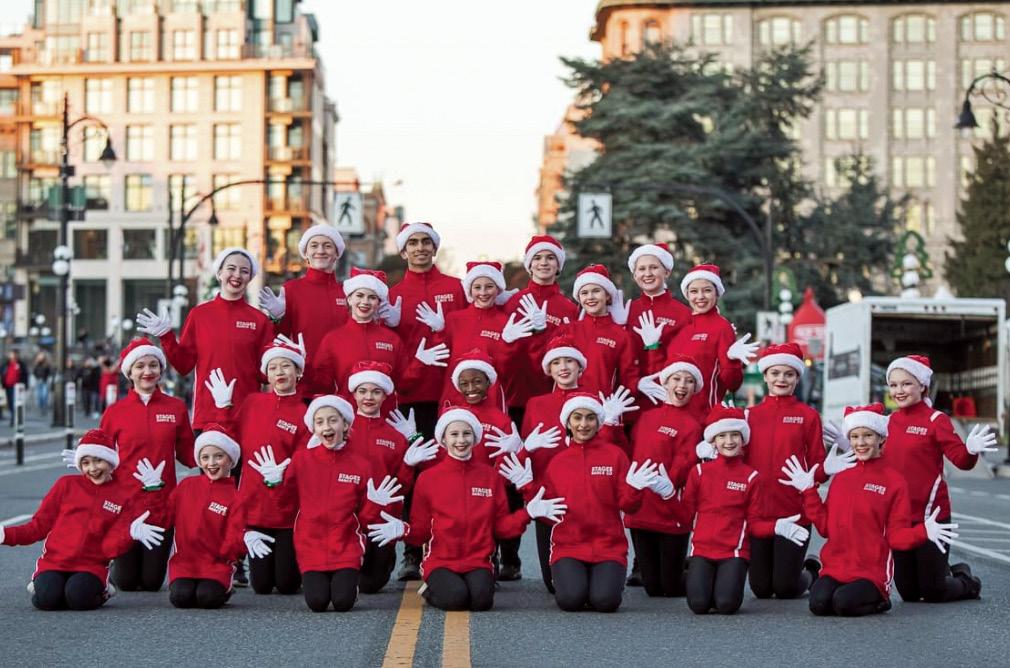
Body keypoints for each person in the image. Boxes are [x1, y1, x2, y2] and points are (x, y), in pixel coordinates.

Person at [366, 407, 566, 611]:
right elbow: (422, 531)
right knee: (456, 599)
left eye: (466, 434)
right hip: (441, 562)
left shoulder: (490, 477)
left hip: (478, 561)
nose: (461, 440)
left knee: (482, 602)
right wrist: (403, 530)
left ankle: (462, 587)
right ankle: (430, 590)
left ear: (475, 438)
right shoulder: (427, 479)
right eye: (454, 434)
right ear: (443, 440)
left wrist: (528, 513)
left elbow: (501, 528)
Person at [780, 403, 959, 616]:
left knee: (843, 604)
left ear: (881, 438)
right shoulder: (842, 476)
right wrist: (808, 491)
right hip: (836, 568)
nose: (861, 443)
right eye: (855, 437)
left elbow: (896, 537)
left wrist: (923, 531)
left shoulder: (894, 481)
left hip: (870, 573)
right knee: (818, 603)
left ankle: (881, 600)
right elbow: (825, 528)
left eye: (868, 436)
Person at [503, 393, 662, 613]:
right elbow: (547, 510)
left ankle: (601, 582)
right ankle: (579, 581)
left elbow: (629, 507)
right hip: (569, 547)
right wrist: (527, 487)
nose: (583, 424)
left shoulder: (615, 456)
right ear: (568, 423)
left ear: (598, 422)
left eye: (590, 418)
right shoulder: (558, 462)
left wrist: (635, 489)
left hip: (608, 547)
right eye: (577, 418)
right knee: (571, 600)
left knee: (605, 602)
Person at [252, 395, 400, 612]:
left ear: (345, 425)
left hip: (346, 546)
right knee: (317, 603)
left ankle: (350, 584)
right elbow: (284, 504)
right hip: (311, 546)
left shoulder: (361, 465)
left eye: (333, 420)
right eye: (319, 422)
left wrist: (375, 504)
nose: (326, 427)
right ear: (313, 428)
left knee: (342, 603)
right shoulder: (301, 460)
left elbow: (365, 519)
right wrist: (273, 484)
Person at [1, 429, 166, 610]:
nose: (93, 469)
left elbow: (108, 549)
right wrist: (4, 535)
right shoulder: (66, 484)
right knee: (48, 599)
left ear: (111, 462)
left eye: (98, 461)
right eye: (86, 463)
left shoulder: (122, 494)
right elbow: (37, 527)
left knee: (78, 598)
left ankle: (104, 589)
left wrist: (128, 533)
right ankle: (42, 586)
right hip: (54, 563)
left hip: (90, 567)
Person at [518, 335, 632, 592]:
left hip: (590, 491)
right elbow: (527, 455)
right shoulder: (536, 404)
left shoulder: (596, 400)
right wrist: (526, 449)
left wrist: (613, 426)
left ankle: (600, 576)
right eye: (557, 362)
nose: (563, 367)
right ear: (549, 369)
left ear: (580, 367)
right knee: (553, 586)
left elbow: (614, 451)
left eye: (569, 361)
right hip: (549, 496)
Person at [386, 221, 466, 581]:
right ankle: (411, 550)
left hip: (447, 398)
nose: (420, 248)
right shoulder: (392, 295)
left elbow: (470, 331)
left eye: (426, 242)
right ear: (403, 251)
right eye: (413, 243)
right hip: (406, 401)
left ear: (434, 248)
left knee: (447, 474)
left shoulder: (455, 289)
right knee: (411, 473)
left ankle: (453, 548)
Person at [880, 355, 991, 602]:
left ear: (922, 385)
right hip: (899, 519)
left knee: (933, 592)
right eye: (894, 385)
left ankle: (966, 581)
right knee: (909, 594)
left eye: (906, 384)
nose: (899, 391)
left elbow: (961, 461)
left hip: (932, 518)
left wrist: (971, 450)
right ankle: (941, 569)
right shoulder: (888, 422)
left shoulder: (936, 420)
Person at [90, 338, 196, 592]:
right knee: (127, 583)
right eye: (140, 366)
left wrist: (223, 441)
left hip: (162, 505)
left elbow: (190, 454)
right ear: (130, 372)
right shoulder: (115, 412)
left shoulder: (176, 408)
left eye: (153, 365)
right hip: (126, 506)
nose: (147, 371)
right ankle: (110, 567)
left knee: (150, 583)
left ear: (161, 369)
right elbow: (102, 455)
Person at [682, 405, 809, 615]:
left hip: (733, 553)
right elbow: (684, 514)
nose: (729, 441)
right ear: (713, 441)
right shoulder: (699, 472)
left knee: (726, 604)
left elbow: (755, 525)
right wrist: (666, 493)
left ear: (743, 440)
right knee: (698, 605)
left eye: (735, 435)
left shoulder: (751, 477)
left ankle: (722, 583)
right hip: (702, 551)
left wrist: (777, 527)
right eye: (722, 436)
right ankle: (708, 581)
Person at [210, 339, 310, 596]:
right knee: (262, 586)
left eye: (286, 366)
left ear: (298, 371)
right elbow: (229, 439)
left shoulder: (304, 413)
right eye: (273, 367)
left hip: (287, 509)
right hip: (255, 506)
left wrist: (283, 473)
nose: (279, 372)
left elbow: (305, 459)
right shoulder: (253, 402)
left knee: (287, 585)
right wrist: (223, 409)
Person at [135, 247, 274, 431]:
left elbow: (267, 375)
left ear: (250, 278)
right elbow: (184, 365)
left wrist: (283, 333)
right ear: (219, 273)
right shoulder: (199, 315)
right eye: (231, 268)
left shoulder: (260, 320)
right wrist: (166, 336)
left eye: (244, 271)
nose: (237, 275)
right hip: (207, 416)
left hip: (248, 416)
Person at [739, 343, 834, 600]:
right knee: (761, 589)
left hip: (794, 513)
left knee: (784, 588)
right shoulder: (748, 416)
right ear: (765, 376)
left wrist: (825, 469)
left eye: (789, 374)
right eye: (775, 373)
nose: (781, 379)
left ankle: (811, 572)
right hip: (757, 515)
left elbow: (817, 468)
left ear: (797, 377)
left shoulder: (808, 416)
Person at [345, 360, 438, 593]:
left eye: (376, 392)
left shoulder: (395, 437)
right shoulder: (342, 429)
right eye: (363, 391)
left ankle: (382, 558)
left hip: (380, 519)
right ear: (354, 394)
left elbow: (402, 488)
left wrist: (407, 464)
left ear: (385, 395)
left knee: (370, 584)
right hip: (346, 517)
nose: (369, 397)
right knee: (346, 576)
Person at [625, 354, 705, 598]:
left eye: (689, 381)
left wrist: (668, 483)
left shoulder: (693, 425)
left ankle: (705, 569)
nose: (682, 385)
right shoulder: (646, 417)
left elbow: (685, 462)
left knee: (670, 588)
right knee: (652, 588)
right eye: (677, 379)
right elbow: (629, 453)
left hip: (671, 510)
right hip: (642, 510)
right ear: (666, 382)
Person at [444, 350, 525, 580]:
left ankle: (510, 559)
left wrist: (493, 483)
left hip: (494, 482)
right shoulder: (452, 415)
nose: (471, 388)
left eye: (477, 381)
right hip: (461, 481)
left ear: (489, 382)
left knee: (508, 503)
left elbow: (506, 457)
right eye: (465, 383)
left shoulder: (500, 418)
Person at [165, 426, 259, 609]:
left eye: (219, 456)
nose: (211, 463)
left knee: (207, 598)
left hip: (215, 564)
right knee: (180, 598)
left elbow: (234, 535)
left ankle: (227, 587)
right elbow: (165, 517)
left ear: (231, 460)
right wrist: (153, 492)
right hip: (185, 563)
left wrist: (231, 551)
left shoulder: (236, 497)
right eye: (205, 457)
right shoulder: (186, 486)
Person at [502, 234, 579, 425]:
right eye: (537, 258)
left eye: (550, 258)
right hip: (515, 396)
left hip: (550, 396)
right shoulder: (514, 302)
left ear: (558, 265)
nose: (543, 263)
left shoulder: (568, 308)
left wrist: (543, 333)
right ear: (529, 265)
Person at [667, 264, 758, 421]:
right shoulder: (681, 325)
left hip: (703, 419)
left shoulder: (722, 327)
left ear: (717, 293)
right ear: (687, 294)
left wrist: (732, 361)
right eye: (694, 291)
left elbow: (733, 384)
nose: (700, 296)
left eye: (707, 290)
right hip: (673, 417)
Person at [436, 261, 533, 402]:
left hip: (490, 400)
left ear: (498, 289)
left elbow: (507, 370)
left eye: (489, 287)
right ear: (470, 290)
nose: (483, 293)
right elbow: (442, 359)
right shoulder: (454, 319)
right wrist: (438, 332)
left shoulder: (507, 323)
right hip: (454, 398)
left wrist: (509, 345)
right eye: (477, 287)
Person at [625, 244, 692, 406]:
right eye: (641, 269)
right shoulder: (627, 310)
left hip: (667, 398)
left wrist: (654, 347)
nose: (647, 274)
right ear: (634, 275)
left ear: (667, 272)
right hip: (631, 398)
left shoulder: (683, 314)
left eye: (654, 267)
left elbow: (685, 361)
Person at [562, 265, 640, 399]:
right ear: (579, 298)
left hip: (603, 407)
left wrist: (636, 386)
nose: (590, 297)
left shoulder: (622, 336)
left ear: (608, 295)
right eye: (584, 293)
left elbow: (628, 379)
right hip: (568, 406)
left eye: (596, 291)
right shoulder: (567, 330)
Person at [1, 350, 27, 426]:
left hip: (17, 386)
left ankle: (14, 418)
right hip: (7, 386)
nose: (13, 356)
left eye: (15, 354)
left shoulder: (20, 364)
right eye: (12, 354)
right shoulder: (6, 364)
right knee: (10, 403)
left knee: (15, 402)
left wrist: (25, 385)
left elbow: (25, 374)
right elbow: (2, 373)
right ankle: (13, 416)